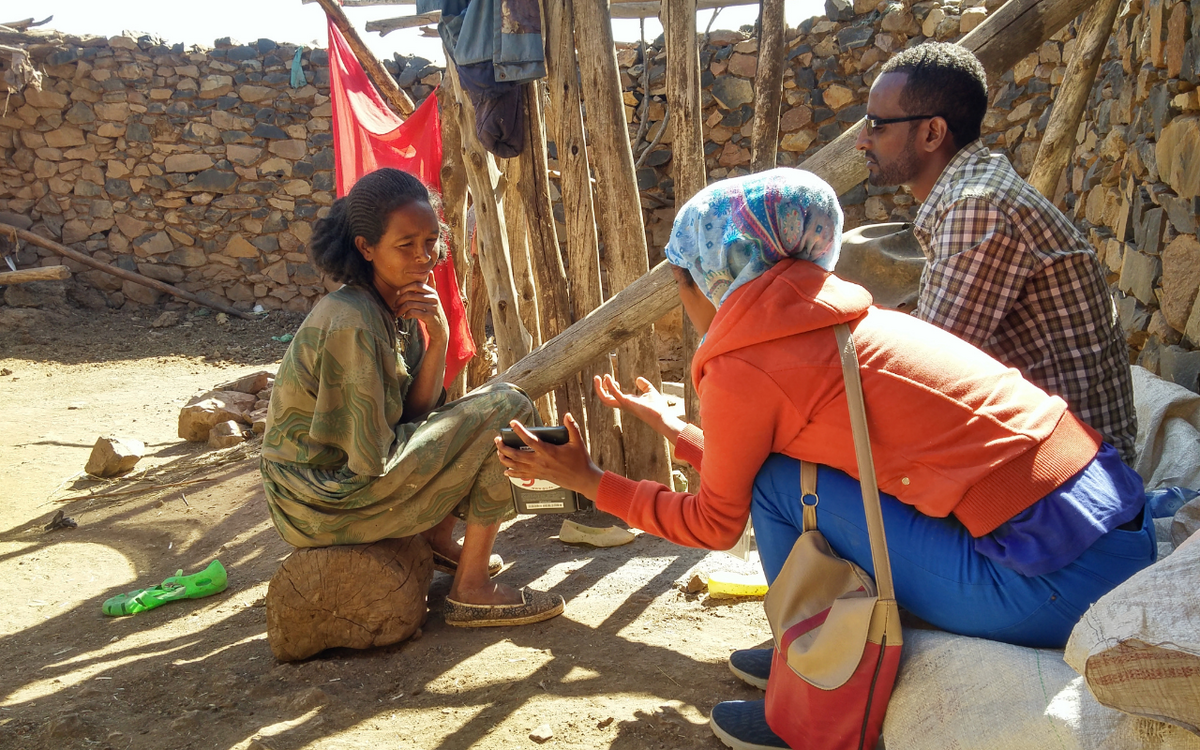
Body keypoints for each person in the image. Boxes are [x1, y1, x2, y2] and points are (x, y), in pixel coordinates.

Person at [495, 169, 1155, 749]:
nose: (685, 304)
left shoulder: (743, 359)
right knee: (788, 477)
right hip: (1106, 528)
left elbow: (715, 523)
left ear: (708, 278)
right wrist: (678, 431)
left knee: (784, 484)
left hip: (1054, 581)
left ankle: (812, 687)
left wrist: (587, 481)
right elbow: (793, 463)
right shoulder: (845, 321)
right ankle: (803, 642)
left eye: (682, 285)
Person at [261, 167, 563, 628]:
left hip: (345, 480)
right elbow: (374, 453)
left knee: (492, 413)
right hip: (318, 500)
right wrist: (457, 437)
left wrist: (438, 338)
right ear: (366, 247)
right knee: (506, 407)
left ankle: (438, 542)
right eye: (406, 245)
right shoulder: (352, 319)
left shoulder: (398, 305)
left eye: (431, 242)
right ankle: (472, 589)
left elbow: (415, 417)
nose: (424, 257)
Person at [854, 42, 1137, 465]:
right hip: (1056, 453)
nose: (861, 141)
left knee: (783, 479)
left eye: (877, 125)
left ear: (932, 133)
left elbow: (920, 379)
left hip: (1078, 475)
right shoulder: (971, 192)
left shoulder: (978, 207)